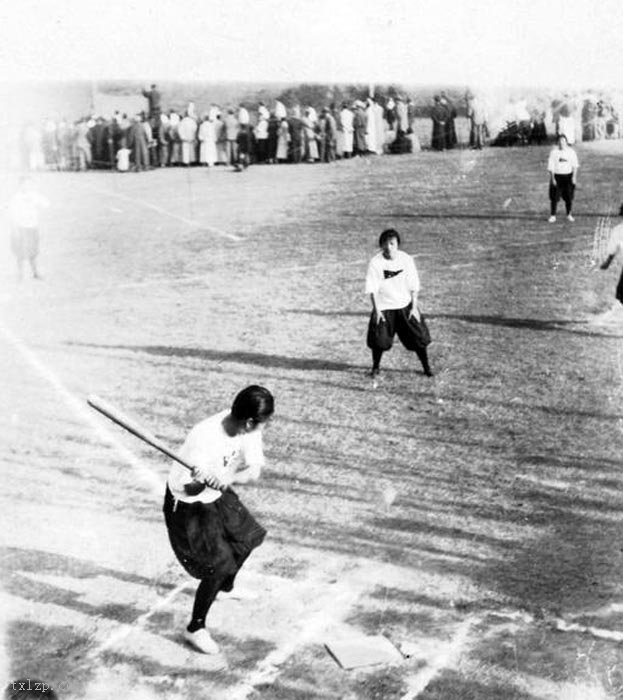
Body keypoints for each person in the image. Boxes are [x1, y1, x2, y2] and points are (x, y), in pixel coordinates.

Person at [163, 386, 274, 655]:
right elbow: (187, 489)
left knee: (247, 538)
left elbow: (253, 472)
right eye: (263, 423)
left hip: (218, 492)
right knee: (219, 564)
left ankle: (225, 588)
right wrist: (199, 482)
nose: (264, 427)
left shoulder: (248, 430)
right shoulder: (204, 437)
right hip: (187, 505)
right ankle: (195, 628)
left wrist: (227, 479)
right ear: (249, 421)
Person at [365, 229, 433, 378]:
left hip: (404, 306)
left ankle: (427, 368)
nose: (389, 247)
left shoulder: (406, 259)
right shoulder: (376, 262)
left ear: (397, 244)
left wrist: (414, 307)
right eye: (385, 244)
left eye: (392, 243)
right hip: (385, 308)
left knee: (419, 339)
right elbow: (372, 290)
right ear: (381, 245)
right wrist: (377, 311)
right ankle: (375, 368)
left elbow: (414, 285)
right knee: (379, 341)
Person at [8, 176, 49, 280]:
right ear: (20, 185)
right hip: (21, 227)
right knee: (20, 252)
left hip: (32, 227)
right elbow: (12, 214)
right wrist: (15, 229)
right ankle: (20, 274)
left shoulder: (35, 196)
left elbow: (46, 205)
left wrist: (37, 200)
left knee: (33, 251)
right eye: (24, 184)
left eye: (29, 184)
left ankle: (35, 273)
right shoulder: (16, 198)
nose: (26, 186)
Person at [547, 133, 579, 222]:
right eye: (560, 141)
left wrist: (574, 177)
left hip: (568, 177)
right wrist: (553, 178)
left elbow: (575, 166)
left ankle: (569, 214)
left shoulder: (571, 152)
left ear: (566, 142)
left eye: (563, 141)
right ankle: (553, 215)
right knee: (554, 197)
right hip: (557, 177)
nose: (562, 143)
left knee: (569, 197)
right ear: (557, 142)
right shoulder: (554, 152)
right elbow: (551, 166)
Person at [600, 204, 623, 306]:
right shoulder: (618, 230)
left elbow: (613, 250)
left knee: (621, 293)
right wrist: (607, 263)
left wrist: (607, 263)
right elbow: (613, 249)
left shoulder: (618, 230)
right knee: (621, 294)